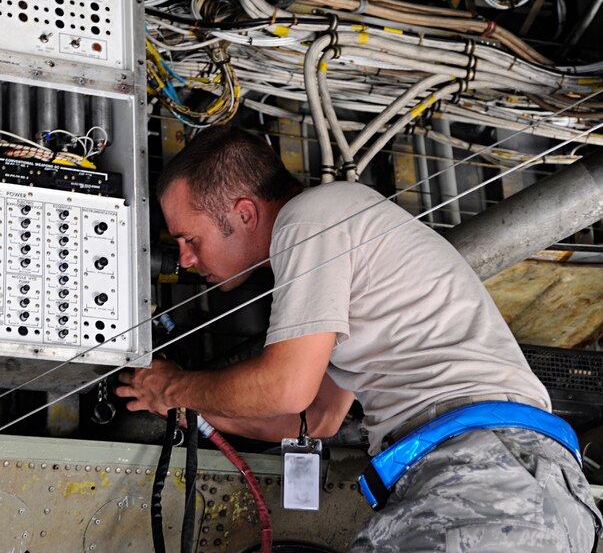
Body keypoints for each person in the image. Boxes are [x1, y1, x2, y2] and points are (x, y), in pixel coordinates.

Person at [116, 125, 602, 551]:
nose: (183, 259)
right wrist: (183, 408)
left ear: (244, 213)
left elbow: (286, 387)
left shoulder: (312, 217)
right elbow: (316, 418)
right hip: (520, 483)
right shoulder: (343, 233)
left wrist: (175, 386)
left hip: (484, 472)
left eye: (189, 238)